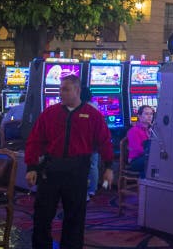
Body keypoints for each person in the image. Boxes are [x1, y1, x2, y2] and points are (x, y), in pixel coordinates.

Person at [25, 74, 113, 249]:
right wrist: (31, 167)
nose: (61, 93)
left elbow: (104, 141)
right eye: (60, 89)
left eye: (65, 89)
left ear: (77, 90)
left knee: (75, 217)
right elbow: (35, 141)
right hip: (50, 170)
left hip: (77, 171)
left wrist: (109, 167)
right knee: (42, 216)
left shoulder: (92, 115)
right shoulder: (50, 113)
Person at [127, 105, 155, 178]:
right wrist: (152, 153)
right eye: (146, 114)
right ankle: (145, 186)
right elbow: (137, 149)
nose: (149, 116)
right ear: (139, 116)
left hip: (148, 157)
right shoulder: (133, 131)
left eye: (151, 114)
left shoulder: (152, 130)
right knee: (152, 161)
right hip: (135, 160)